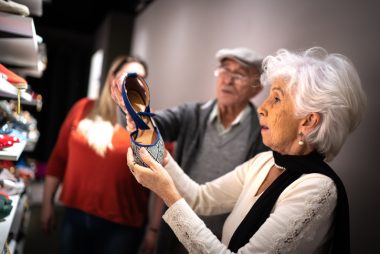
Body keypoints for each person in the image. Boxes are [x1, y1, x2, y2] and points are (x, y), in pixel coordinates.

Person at [124, 47, 367, 253]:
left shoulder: (317, 189)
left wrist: (166, 191)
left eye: (277, 99)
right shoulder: (264, 161)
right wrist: (161, 156)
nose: (262, 108)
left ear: (308, 122)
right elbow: (201, 198)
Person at [112, 47, 268, 252]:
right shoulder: (191, 114)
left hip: (224, 244)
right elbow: (156, 125)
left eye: (238, 74)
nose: (227, 80)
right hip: (177, 235)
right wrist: (134, 111)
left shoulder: (263, 133)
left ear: (256, 87)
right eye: (224, 71)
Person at [40, 56, 170, 254]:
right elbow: (59, 158)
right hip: (75, 215)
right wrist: (47, 203)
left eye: (141, 78)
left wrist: (153, 230)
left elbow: (161, 185)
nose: (134, 83)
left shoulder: (151, 126)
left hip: (122, 226)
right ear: (112, 79)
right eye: (128, 76)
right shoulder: (83, 108)